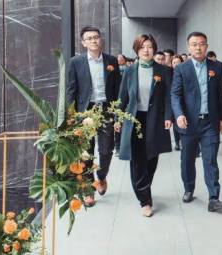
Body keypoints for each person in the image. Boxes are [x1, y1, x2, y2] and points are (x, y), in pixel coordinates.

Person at [116, 34, 174, 217]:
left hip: (155, 118)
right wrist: (118, 118)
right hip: (134, 119)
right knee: (137, 158)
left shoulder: (163, 71)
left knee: (151, 157)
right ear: (137, 50)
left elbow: (169, 97)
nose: (146, 50)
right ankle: (145, 200)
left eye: (149, 46)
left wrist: (169, 116)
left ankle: (144, 187)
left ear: (154, 48)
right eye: (142, 47)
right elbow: (122, 97)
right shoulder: (129, 71)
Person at [171, 32, 222, 212]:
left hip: (210, 123)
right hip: (188, 123)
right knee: (187, 159)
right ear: (189, 47)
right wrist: (179, 114)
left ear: (207, 46)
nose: (198, 47)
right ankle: (189, 188)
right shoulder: (181, 69)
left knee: (210, 160)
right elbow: (175, 94)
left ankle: (214, 198)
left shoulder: (217, 67)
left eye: (201, 44)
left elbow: (221, 95)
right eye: (194, 44)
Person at [66, 26, 121, 207]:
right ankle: (89, 189)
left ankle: (102, 177)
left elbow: (117, 88)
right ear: (83, 43)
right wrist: (71, 115)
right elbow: (71, 90)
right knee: (86, 152)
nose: (93, 40)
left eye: (96, 37)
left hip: (106, 109)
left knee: (106, 150)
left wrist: (117, 112)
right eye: (89, 38)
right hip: (85, 111)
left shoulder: (111, 60)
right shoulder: (76, 62)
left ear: (100, 39)